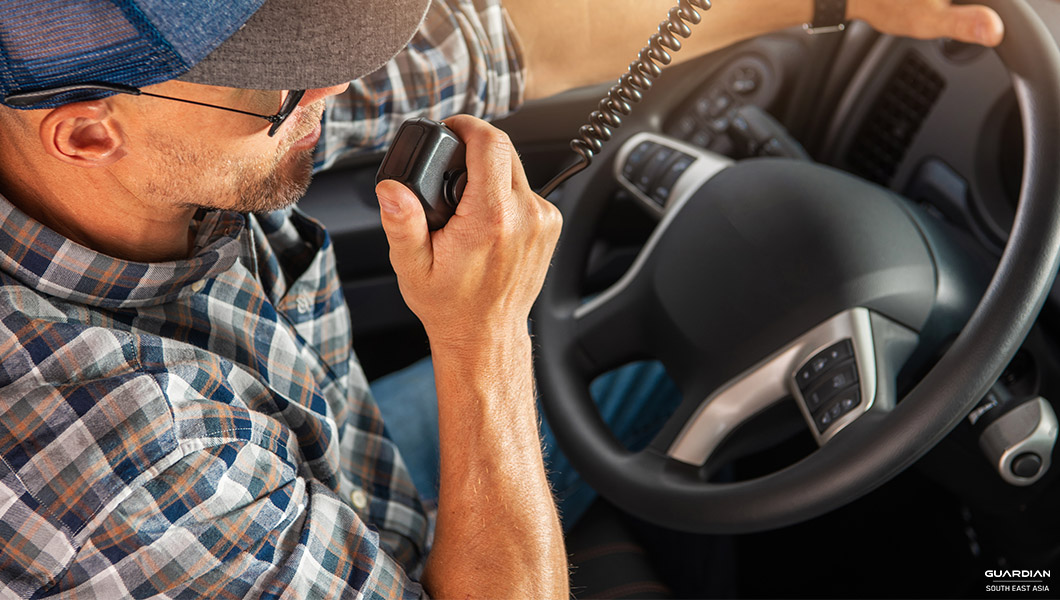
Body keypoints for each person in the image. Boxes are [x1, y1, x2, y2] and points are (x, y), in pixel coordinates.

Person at [0, 0, 1002, 597]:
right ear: (86, 136)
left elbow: (493, 34)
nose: (333, 93)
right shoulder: (111, 468)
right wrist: (480, 337)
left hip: (340, 477)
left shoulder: (152, 132)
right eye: (286, 92)